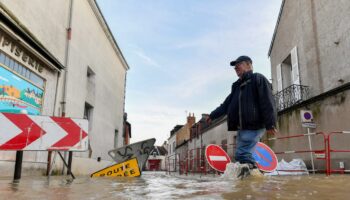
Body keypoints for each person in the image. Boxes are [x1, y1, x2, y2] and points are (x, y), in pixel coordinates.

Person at [206, 55, 277, 178]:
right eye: (235, 66)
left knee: (242, 154)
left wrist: (270, 123)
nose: (236, 67)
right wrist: (213, 115)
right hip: (242, 127)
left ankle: (253, 179)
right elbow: (226, 104)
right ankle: (251, 179)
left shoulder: (257, 78)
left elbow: (268, 101)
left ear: (249, 64)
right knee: (242, 155)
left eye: (239, 64)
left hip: (254, 124)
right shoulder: (236, 86)